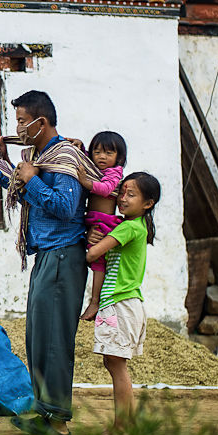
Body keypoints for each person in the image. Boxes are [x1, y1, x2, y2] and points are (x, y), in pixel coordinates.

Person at [0, 90, 91, 435]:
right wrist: (2, 162)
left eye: (21, 121)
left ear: (40, 122)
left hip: (63, 254)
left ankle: (58, 422)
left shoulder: (64, 156)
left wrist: (31, 177)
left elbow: (65, 206)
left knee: (55, 339)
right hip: (47, 255)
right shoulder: (36, 156)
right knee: (38, 336)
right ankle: (46, 413)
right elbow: (17, 185)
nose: (17, 127)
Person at [85, 172, 160, 433]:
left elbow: (93, 254)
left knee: (117, 366)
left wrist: (89, 242)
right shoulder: (133, 226)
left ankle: (121, 427)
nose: (122, 199)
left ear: (147, 203)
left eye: (131, 194)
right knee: (114, 363)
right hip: (124, 304)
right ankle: (125, 424)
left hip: (121, 304)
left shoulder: (129, 226)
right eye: (122, 192)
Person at [76, 131, 127, 322]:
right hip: (92, 221)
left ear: (119, 157)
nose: (101, 157)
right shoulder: (96, 169)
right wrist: (81, 146)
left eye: (108, 153)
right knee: (91, 262)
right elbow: (86, 159)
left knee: (98, 264)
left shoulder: (115, 173)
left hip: (104, 223)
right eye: (97, 152)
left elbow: (105, 189)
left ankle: (95, 301)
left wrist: (85, 182)